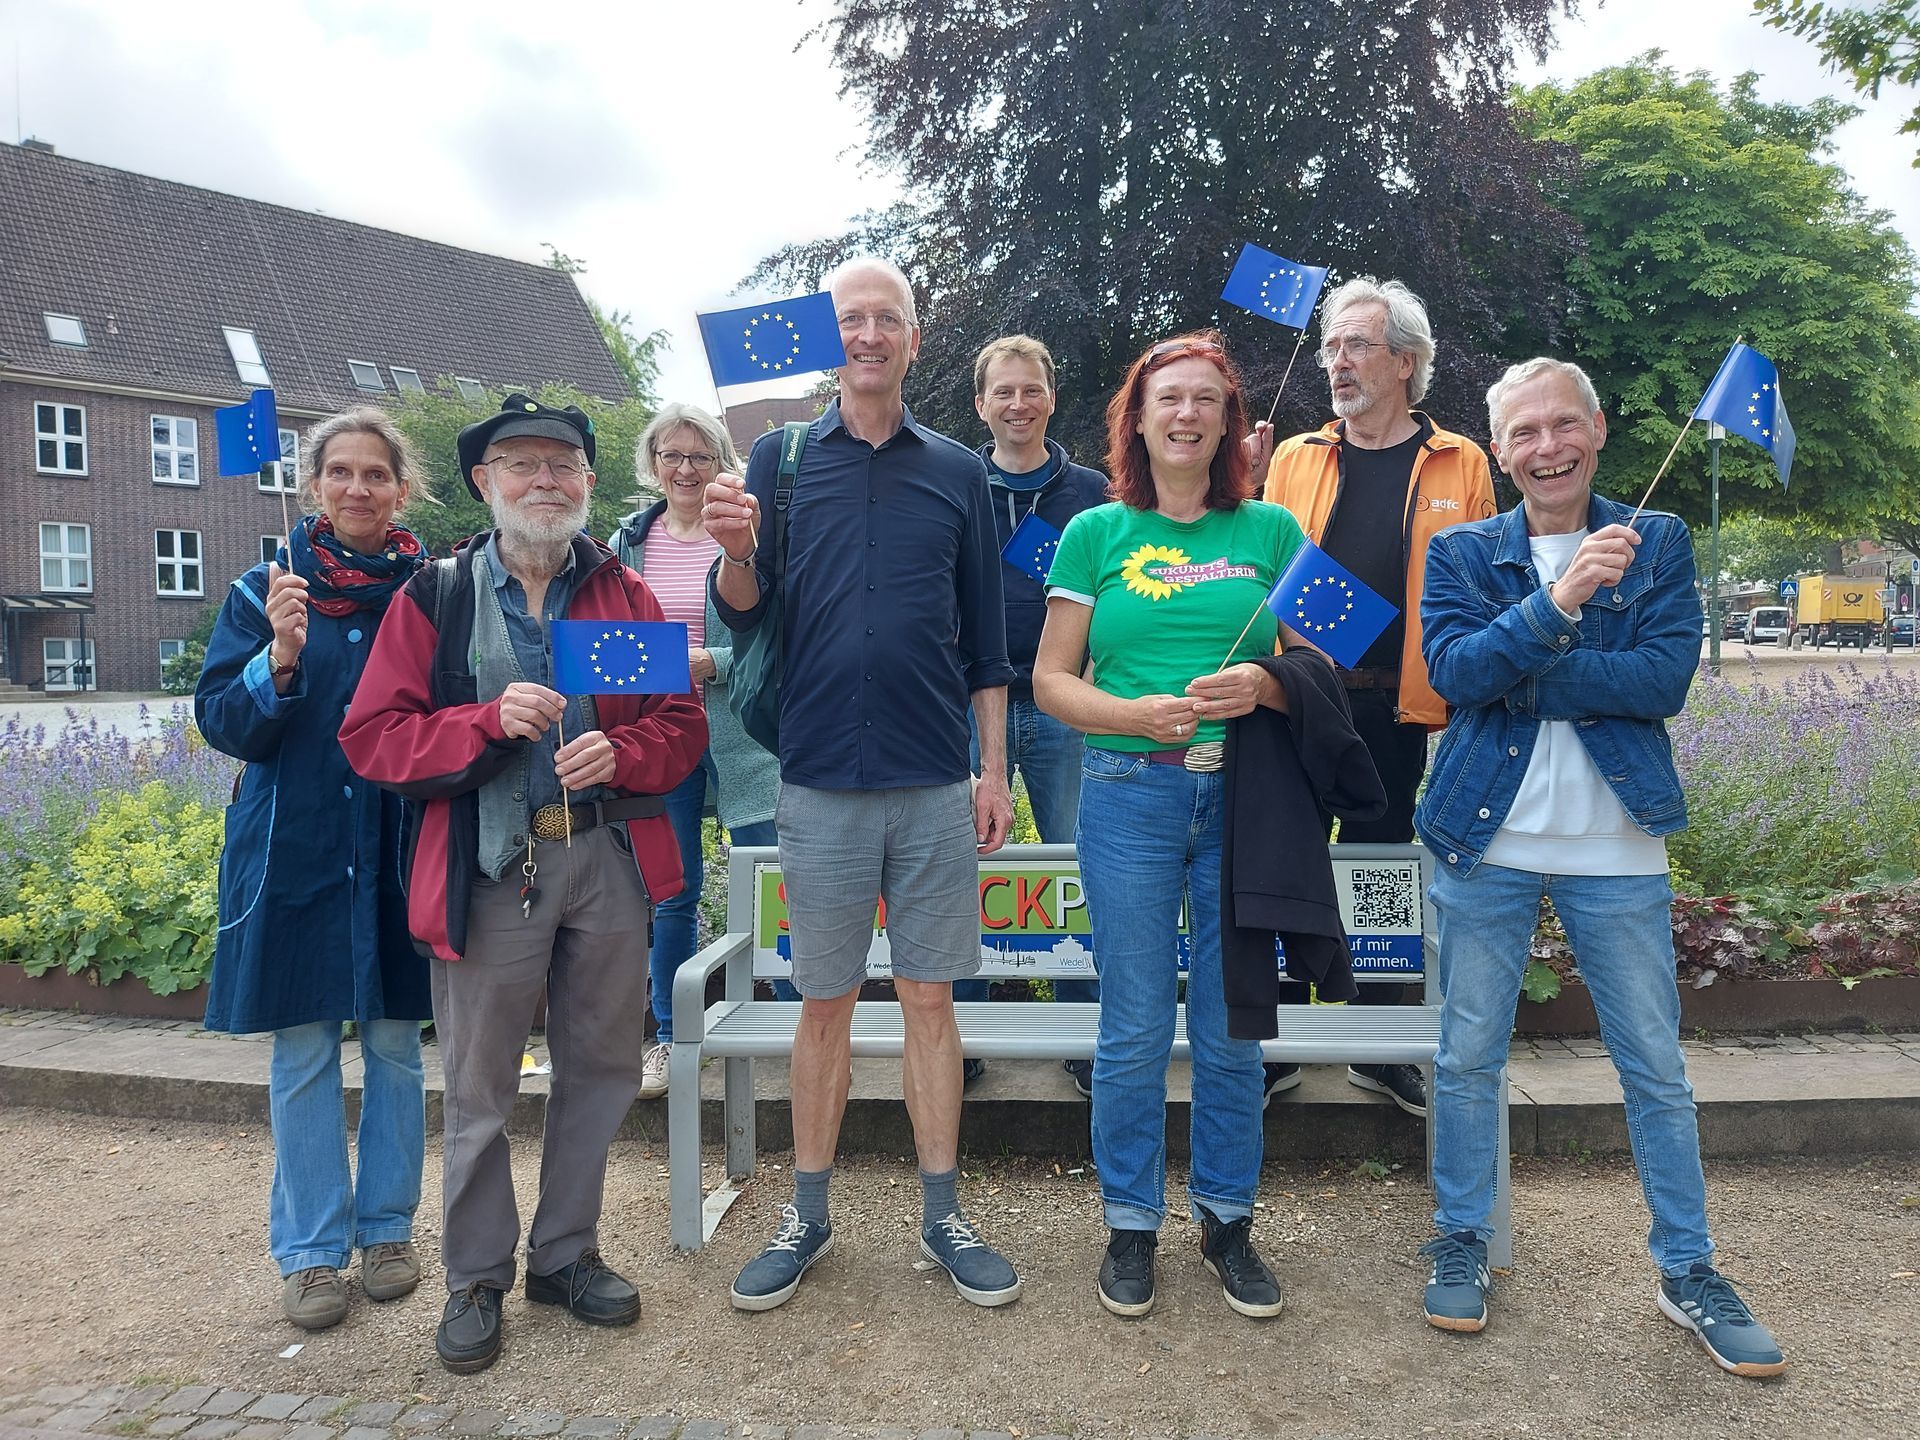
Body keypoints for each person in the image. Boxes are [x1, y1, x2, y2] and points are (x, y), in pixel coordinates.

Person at [1414, 357, 1785, 1377]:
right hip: (1484, 844)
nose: (1546, 448)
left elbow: (1660, 682)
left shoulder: (1657, 538)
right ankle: (1461, 1239)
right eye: (1524, 432)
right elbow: (1452, 674)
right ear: (1501, 450)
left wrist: (1523, 663)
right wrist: (1563, 597)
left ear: (1598, 426)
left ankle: (1689, 1268)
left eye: (1562, 426)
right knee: (1466, 1060)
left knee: (1654, 1072)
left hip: (1618, 850)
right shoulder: (1462, 551)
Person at [339, 394, 706, 1374]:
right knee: (480, 1084)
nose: (545, 479)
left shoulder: (621, 593)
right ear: (484, 483)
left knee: (603, 1070)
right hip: (494, 867)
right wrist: (481, 723)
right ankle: (475, 1275)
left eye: (564, 463)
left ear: (589, 481)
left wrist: (622, 754)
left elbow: (680, 726)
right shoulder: (439, 595)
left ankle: (566, 1254)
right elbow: (373, 737)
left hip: (604, 862)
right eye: (522, 464)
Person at [703, 256, 1020, 1312]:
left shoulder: (959, 473)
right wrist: (736, 551)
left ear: (916, 341)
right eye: (853, 319)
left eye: (889, 318)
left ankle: (943, 1216)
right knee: (823, 1005)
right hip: (822, 779)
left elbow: (988, 645)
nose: (870, 334)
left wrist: (994, 769)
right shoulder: (781, 461)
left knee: (932, 1002)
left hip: (934, 780)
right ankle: (809, 1215)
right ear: (828, 337)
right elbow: (746, 613)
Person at [1032, 330, 1309, 1320]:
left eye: (1205, 399)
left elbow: (1334, 660)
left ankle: (1229, 1220)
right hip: (1127, 794)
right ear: (1138, 421)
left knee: (1236, 1025)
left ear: (1233, 421)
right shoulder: (1095, 535)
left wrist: (1268, 680)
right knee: (1136, 1025)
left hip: (1245, 804)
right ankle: (1132, 1225)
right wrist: (1135, 716)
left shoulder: (1273, 532)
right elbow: (1051, 682)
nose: (1186, 414)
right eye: (1167, 399)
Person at [195, 407, 430, 1331]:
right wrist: (280, 660)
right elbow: (222, 722)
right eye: (342, 473)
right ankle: (311, 1254)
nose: (359, 489)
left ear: (400, 490)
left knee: (395, 1044)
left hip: (393, 843)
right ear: (314, 485)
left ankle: (386, 1231)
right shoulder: (265, 590)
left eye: (376, 475)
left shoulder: (427, 589)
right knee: (301, 1050)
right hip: (293, 843)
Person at [1252, 276, 1495, 1118]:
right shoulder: (1296, 455)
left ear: (1405, 361)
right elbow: (1260, 571)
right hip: (1299, 697)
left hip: (1399, 704)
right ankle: (1274, 1041)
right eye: (1330, 347)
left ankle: (1378, 1043)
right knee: (1282, 861)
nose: (1338, 362)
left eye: (1356, 345)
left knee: (1383, 869)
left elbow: (1484, 585)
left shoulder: (1461, 461)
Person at [954, 334, 1109, 1094]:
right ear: (980, 404)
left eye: (1031, 390)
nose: (1018, 405)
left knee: (1080, 863)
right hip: (968, 704)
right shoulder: (953, 483)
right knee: (960, 865)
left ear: (1051, 396)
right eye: (1002, 392)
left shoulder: (1093, 492)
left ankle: (1086, 1031)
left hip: (1062, 705)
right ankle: (964, 1029)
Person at [611, 404, 780, 1098]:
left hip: (745, 732)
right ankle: (673, 1038)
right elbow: (610, 635)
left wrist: (708, 660)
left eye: (700, 456)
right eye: (672, 456)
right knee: (671, 892)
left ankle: (800, 1023)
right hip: (663, 730)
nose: (685, 469)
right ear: (653, 465)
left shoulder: (743, 529)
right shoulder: (626, 543)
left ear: (722, 462)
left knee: (775, 882)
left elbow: (773, 628)